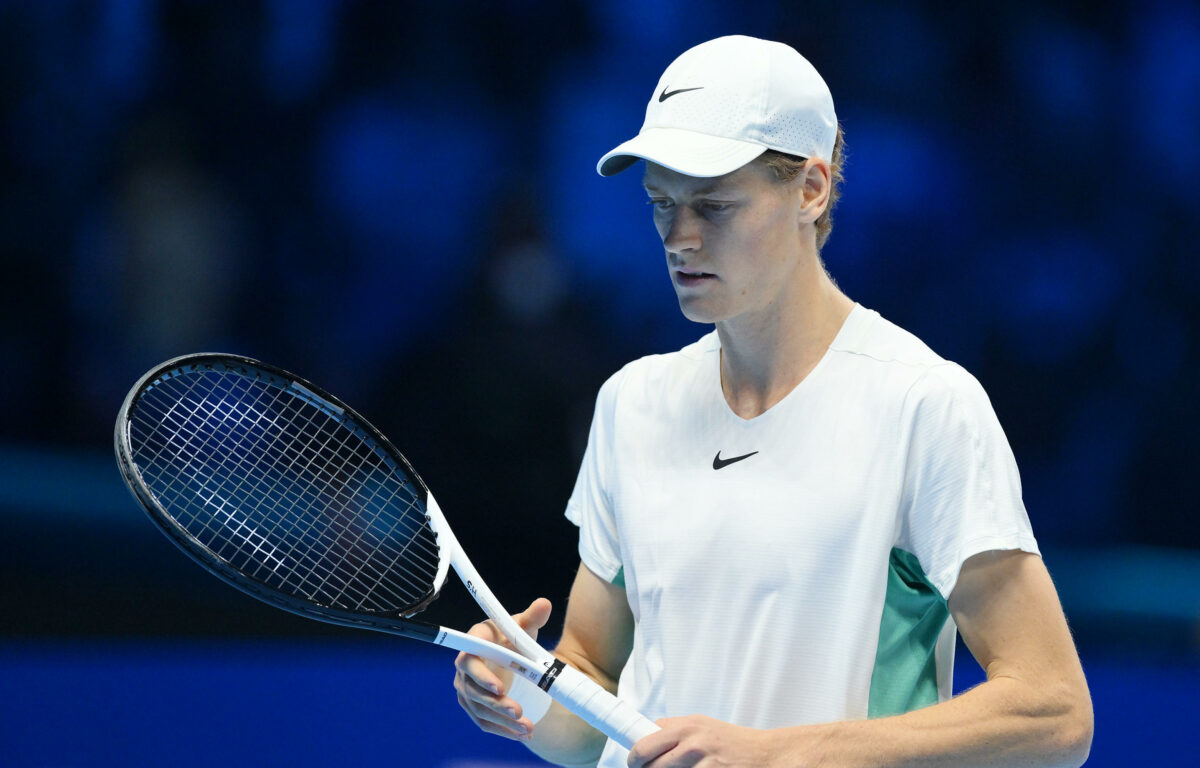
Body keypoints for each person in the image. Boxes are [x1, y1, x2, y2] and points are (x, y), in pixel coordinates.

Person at [453, 35, 1093, 768]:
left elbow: (1054, 711)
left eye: (714, 206)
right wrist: (523, 691)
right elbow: (594, 691)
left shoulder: (924, 404)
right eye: (661, 204)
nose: (679, 238)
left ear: (811, 190)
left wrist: (778, 754)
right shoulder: (631, 405)